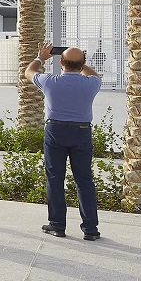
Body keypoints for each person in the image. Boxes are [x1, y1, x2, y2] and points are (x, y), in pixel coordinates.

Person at [26, 41, 102, 240]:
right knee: (84, 180)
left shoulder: (50, 81)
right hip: (82, 131)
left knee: (54, 178)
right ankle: (90, 229)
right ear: (83, 64)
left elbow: (28, 72)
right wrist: (80, 63)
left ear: (62, 63)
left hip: (55, 130)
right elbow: (92, 74)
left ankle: (57, 225)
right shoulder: (92, 83)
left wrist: (41, 57)